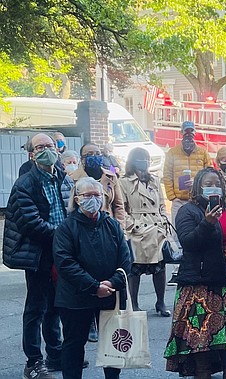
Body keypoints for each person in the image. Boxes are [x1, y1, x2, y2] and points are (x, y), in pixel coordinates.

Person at [164, 167, 226, 379]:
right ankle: (203, 374)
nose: (212, 188)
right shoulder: (188, 210)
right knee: (203, 335)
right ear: (198, 187)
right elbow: (188, 242)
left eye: (216, 184)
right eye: (207, 184)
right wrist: (207, 223)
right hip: (204, 282)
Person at [52, 177, 132, 379]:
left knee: (112, 342)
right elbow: (66, 264)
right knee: (74, 343)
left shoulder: (112, 225)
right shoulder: (66, 228)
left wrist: (113, 282)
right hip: (75, 297)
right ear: (77, 199)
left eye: (97, 195)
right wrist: (94, 286)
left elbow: (125, 259)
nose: (93, 199)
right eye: (88, 195)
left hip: (109, 294)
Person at [2, 133, 66, 379]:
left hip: (60, 252)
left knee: (55, 306)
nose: (46, 150)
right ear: (31, 154)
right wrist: (64, 236)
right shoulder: (25, 184)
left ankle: (56, 354)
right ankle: (33, 363)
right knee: (36, 308)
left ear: (58, 149)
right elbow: (31, 223)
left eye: (49, 146)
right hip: (39, 254)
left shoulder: (62, 178)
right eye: (40, 147)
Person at [69, 142, 126, 342]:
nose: (94, 156)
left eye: (97, 153)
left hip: (108, 231)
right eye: (89, 154)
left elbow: (119, 205)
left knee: (110, 275)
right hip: (83, 232)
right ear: (82, 158)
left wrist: (119, 228)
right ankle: (90, 323)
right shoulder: (72, 178)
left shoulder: (110, 176)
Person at [118, 147, 171, 316]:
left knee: (160, 267)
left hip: (156, 228)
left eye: (146, 158)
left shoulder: (154, 180)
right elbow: (121, 208)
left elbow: (162, 204)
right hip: (137, 229)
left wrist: (163, 221)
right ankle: (134, 303)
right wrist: (132, 224)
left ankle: (160, 302)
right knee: (135, 268)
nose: (145, 162)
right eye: (141, 158)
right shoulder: (124, 182)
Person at [162, 120, 211, 285]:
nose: (189, 136)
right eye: (186, 133)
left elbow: (209, 174)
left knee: (198, 233)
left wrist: (200, 188)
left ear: (195, 134)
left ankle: (198, 266)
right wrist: (172, 196)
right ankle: (178, 270)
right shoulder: (172, 153)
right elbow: (167, 175)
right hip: (180, 201)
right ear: (181, 134)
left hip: (198, 201)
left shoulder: (203, 153)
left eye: (191, 133)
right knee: (178, 235)